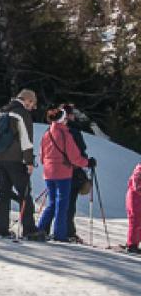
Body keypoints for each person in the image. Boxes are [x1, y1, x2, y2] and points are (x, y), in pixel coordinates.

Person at [0, 88, 44, 240]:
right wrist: (29, 161)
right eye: (32, 104)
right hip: (16, 160)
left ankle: (1, 230)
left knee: (3, 194)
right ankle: (29, 230)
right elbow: (26, 141)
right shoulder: (22, 114)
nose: (32, 107)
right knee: (25, 194)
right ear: (27, 100)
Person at [37, 107, 92, 242]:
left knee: (52, 203)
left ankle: (40, 230)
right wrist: (87, 163)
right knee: (62, 205)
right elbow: (74, 157)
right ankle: (60, 235)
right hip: (63, 173)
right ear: (62, 119)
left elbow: (41, 156)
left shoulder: (47, 133)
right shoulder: (65, 134)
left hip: (48, 173)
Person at [60, 102, 94, 243]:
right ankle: (68, 232)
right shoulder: (73, 131)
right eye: (72, 114)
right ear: (69, 115)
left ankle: (57, 229)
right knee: (70, 202)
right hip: (72, 170)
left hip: (55, 170)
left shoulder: (54, 129)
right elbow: (80, 152)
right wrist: (87, 162)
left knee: (58, 201)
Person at [126, 162, 141, 255]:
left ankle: (134, 243)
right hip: (134, 199)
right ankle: (132, 245)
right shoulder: (139, 171)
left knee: (138, 222)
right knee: (135, 221)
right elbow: (137, 186)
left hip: (137, 199)